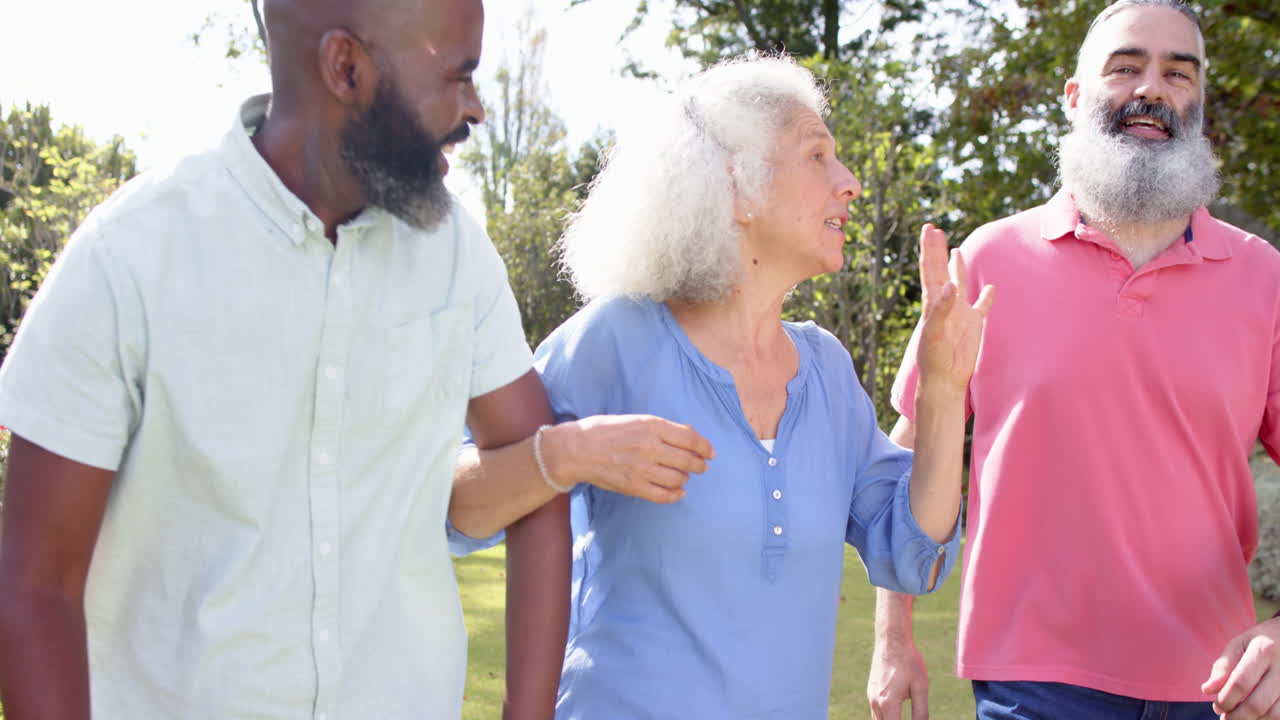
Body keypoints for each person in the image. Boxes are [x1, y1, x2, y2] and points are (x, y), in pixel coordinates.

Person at [0, 1, 712, 718]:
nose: (476, 108)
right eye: (459, 76)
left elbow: (533, 478)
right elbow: (36, 583)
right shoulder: (127, 258)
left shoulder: (458, 258)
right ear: (346, 68)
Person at [456, 54, 993, 719]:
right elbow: (458, 506)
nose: (849, 182)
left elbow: (914, 558)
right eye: (817, 157)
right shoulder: (614, 341)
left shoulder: (826, 369)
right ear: (737, 187)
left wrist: (943, 392)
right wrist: (566, 454)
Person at [867, 2, 1280, 718]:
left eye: (1178, 73)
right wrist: (891, 637)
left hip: (1219, 688)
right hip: (1034, 682)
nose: (1152, 88)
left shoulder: (1263, 279)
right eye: (1126, 67)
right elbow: (908, 455)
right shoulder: (988, 258)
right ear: (1075, 94)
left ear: (1198, 103)